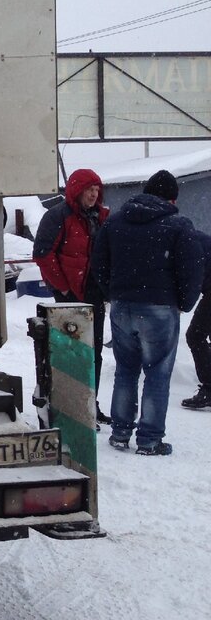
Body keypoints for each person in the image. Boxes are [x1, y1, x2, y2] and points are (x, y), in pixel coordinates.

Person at [91, 170, 204, 455]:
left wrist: (112, 293)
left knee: (126, 371)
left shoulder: (114, 222)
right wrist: (183, 303)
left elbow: (99, 263)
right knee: (157, 374)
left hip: (122, 306)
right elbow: (192, 270)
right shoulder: (178, 226)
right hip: (160, 308)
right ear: (172, 198)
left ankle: (119, 433)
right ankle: (149, 440)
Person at [32, 168, 110, 422]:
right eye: (89, 189)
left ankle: (90, 404)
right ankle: (69, 407)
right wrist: (63, 288)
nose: (93, 194)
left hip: (94, 295)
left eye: (96, 190)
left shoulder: (101, 217)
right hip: (69, 297)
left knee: (93, 351)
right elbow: (43, 254)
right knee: (70, 353)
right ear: (77, 190)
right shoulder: (57, 217)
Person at [181, 229, 211, 410]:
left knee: (195, 335)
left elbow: (191, 276)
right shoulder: (191, 235)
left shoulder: (183, 240)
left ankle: (209, 387)